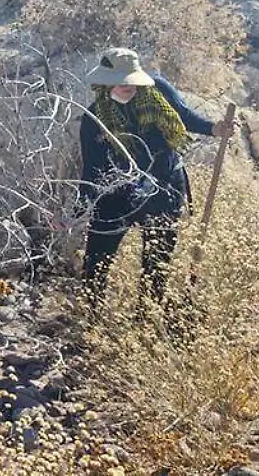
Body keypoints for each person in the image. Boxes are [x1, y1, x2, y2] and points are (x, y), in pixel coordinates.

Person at [68, 48, 235, 309]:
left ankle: (146, 317)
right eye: (120, 81)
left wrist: (213, 128)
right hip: (117, 193)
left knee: (156, 265)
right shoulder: (94, 118)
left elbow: (183, 115)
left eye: (132, 79)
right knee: (96, 262)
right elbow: (92, 170)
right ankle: (92, 317)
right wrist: (76, 211)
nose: (128, 86)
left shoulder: (158, 91)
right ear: (104, 81)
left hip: (164, 187)